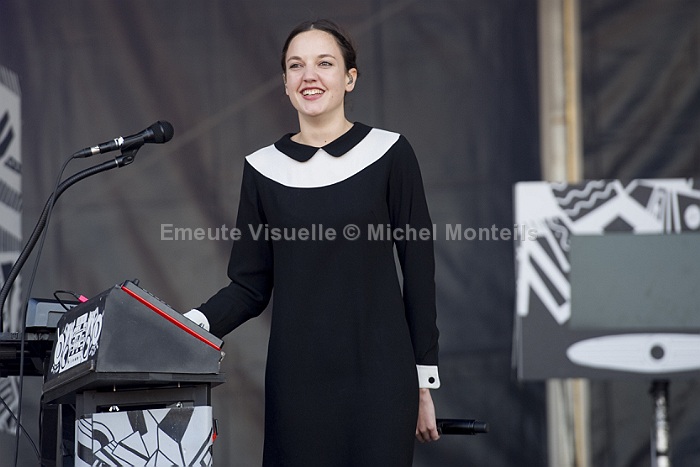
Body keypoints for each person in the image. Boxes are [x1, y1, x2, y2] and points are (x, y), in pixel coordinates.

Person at [186, 19, 440, 466]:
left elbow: (418, 273)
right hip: (297, 385)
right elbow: (249, 286)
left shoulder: (390, 153)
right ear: (285, 83)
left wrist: (424, 382)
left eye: (325, 63)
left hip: (380, 381)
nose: (309, 76)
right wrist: (189, 323)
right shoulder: (262, 169)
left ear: (349, 78)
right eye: (296, 65)